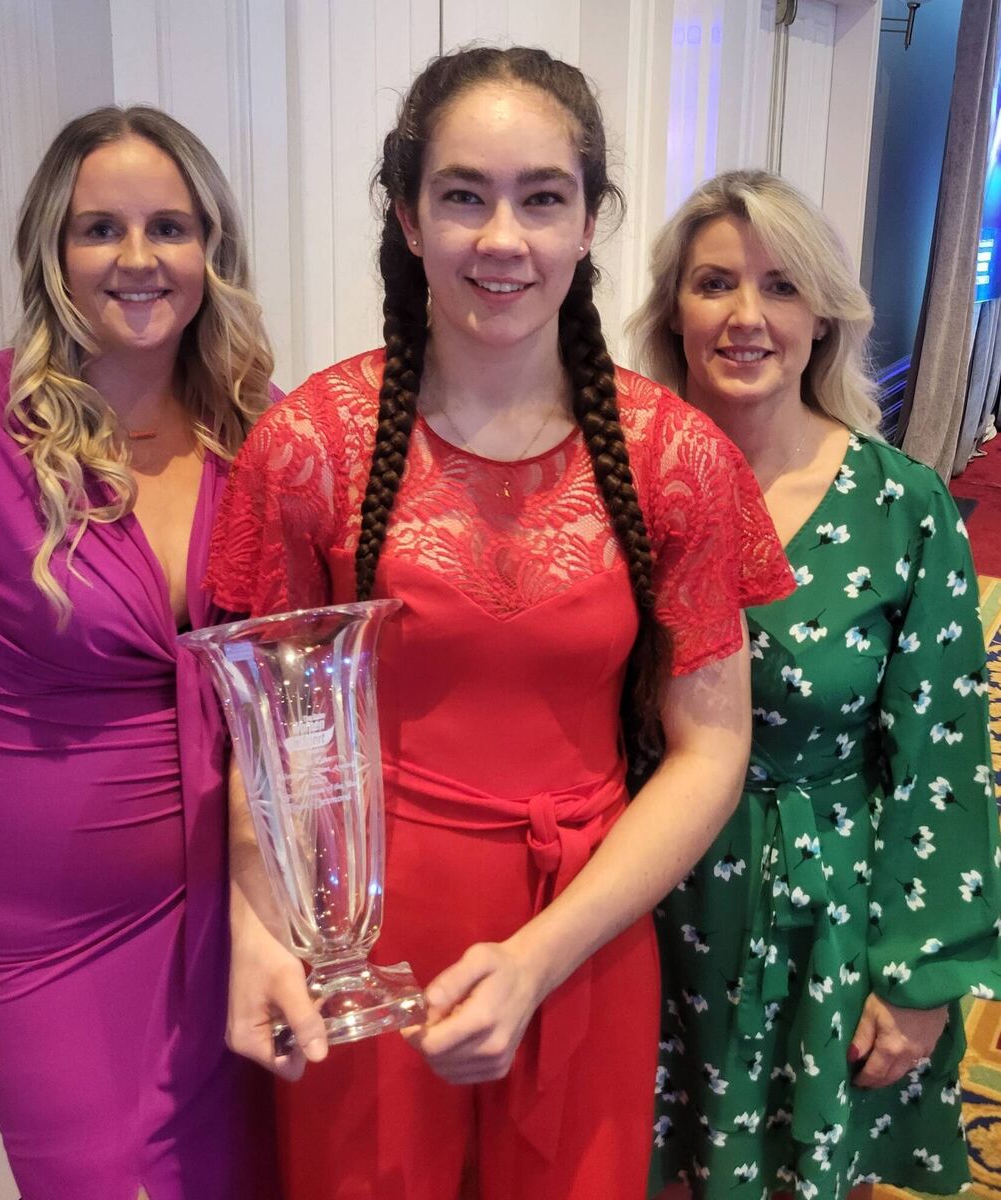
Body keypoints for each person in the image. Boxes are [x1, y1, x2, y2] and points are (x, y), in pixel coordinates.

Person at [205, 48, 794, 1200]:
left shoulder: (674, 460)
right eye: (462, 194)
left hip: (581, 929)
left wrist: (537, 959)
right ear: (407, 218)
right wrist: (256, 932)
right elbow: (268, 743)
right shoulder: (311, 445)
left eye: (542, 197)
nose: (502, 238)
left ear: (588, 224)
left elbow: (711, 750)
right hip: (358, 946)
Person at [0, 106, 281, 1199]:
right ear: (52, 251)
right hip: (51, 945)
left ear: (213, 249)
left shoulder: (263, 433)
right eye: (100, 228)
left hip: (242, 922)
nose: (139, 258)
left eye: (171, 225)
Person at [629, 168, 1001, 1200]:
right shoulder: (621, 490)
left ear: (824, 316)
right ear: (672, 310)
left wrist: (918, 976)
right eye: (712, 284)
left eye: (781, 287)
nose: (746, 316)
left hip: (818, 916)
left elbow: (942, 759)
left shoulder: (901, 505)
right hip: (637, 904)